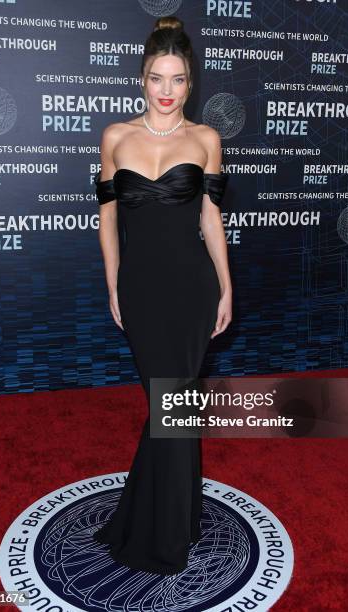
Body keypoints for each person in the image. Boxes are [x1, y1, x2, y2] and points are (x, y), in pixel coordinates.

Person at [92, 15, 232, 575]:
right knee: (167, 407)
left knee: (175, 410)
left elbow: (212, 219)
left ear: (191, 82)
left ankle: (167, 530)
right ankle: (176, 513)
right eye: (157, 78)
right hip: (143, 290)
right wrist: (114, 285)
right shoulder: (115, 138)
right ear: (141, 79)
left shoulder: (206, 140)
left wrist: (227, 288)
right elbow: (107, 221)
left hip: (193, 288)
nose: (167, 91)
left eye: (177, 79)